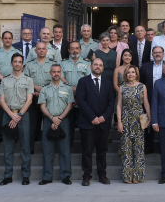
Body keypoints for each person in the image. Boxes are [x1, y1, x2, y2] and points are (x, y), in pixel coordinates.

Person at [77, 58, 116, 186]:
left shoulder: (108, 83)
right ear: (91, 66)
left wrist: (104, 117)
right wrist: (92, 117)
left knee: (102, 150)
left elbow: (111, 102)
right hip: (88, 123)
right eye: (96, 65)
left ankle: (102, 174)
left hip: (103, 123)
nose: (98, 67)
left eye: (100, 65)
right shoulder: (83, 82)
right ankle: (86, 175)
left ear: (103, 68)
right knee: (87, 150)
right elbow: (81, 102)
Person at [0, 54, 34, 186]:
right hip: (8, 115)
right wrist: (11, 115)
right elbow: (2, 100)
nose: (17, 64)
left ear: (23, 64)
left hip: (23, 115)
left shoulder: (28, 80)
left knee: (25, 147)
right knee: (8, 147)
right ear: (11, 63)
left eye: (20, 62)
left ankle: (25, 175)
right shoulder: (5, 80)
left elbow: (29, 100)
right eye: (15, 62)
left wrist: (18, 115)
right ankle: (8, 175)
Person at [38, 64, 74, 185]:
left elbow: (69, 105)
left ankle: (65, 176)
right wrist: (52, 118)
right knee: (48, 150)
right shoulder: (44, 88)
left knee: (64, 149)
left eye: (58, 72)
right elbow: (42, 106)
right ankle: (47, 176)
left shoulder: (68, 88)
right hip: (49, 120)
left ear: (61, 73)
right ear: (50, 73)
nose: (56, 74)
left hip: (63, 120)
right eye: (54, 72)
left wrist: (59, 119)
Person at [117, 65, 150, 184]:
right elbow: (119, 106)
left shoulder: (142, 86)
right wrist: (119, 122)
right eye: (128, 73)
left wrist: (149, 119)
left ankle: (137, 176)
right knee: (126, 149)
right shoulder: (122, 87)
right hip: (126, 119)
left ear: (136, 74)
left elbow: (145, 104)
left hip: (139, 119)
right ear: (125, 74)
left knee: (139, 148)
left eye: (133, 72)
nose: (130, 74)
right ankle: (127, 176)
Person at [0, 31, 21, 143]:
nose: (7, 40)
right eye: (5, 38)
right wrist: (3, 79)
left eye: (9, 38)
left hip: (15, 82)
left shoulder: (17, 52)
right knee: (0, 108)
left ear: (12, 40)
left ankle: (14, 132)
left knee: (13, 106)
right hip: (0, 82)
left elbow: (21, 67)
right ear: (2, 39)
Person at [23, 41, 54, 154]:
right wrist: (36, 89)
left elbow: (55, 78)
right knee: (32, 124)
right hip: (33, 97)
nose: (41, 50)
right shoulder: (30, 64)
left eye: (43, 49)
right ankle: (30, 148)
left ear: (46, 51)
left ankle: (47, 150)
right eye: (39, 49)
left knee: (47, 123)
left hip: (47, 97)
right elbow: (26, 79)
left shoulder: (52, 64)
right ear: (35, 51)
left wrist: (42, 90)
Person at [60, 41, 91, 147]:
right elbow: (61, 77)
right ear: (68, 50)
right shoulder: (63, 63)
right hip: (67, 97)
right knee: (69, 122)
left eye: (77, 48)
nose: (75, 50)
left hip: (83, 97)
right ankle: (68, 145)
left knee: (84, 122)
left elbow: (88, 79)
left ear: (80, 49)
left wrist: (78, 90)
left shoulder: (87, 63)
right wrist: (70, 88)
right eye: (72, 48)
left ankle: (85, 146)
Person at [139, 46, 165, 154]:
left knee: (163, 121)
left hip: (164, 97)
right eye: (155, 52)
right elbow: (141, 82)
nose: (157, 54)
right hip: (148, 97)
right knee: (147, 121)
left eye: (159, 52)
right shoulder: (145, 66)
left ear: (163, 54)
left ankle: (161, 146)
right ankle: (148, 146)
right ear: (152, 54)